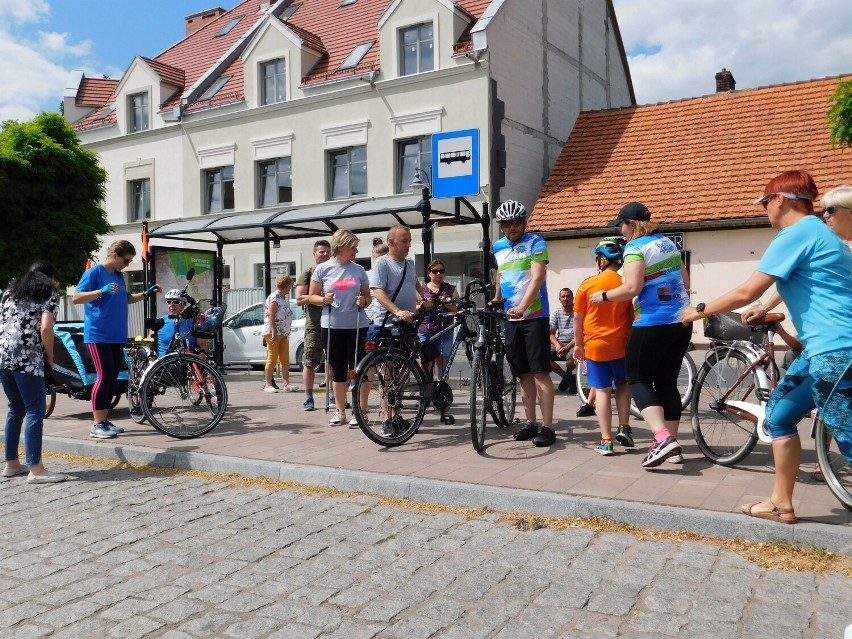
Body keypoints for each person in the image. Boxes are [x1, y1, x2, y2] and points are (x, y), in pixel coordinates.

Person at [683, 171, 852, 524]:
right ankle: (781, 503)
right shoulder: (822, 235)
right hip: (822, 351)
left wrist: (698, 310)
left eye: (764, 203)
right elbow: (787, 277)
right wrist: (766, 306)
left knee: (846, 433)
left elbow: (747, 291)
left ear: (780, 200)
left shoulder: (797, 232)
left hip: (837, 351)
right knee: (778, 415)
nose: (764, 211)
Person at [590, 202, 691, 468]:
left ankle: (662, 438)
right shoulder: (668, 244)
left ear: (631, 225)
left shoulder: (635, 247)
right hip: (681, 321)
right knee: (667, 383)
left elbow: (632, 287)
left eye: (621, 226)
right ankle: (672, 447)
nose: (621, 232)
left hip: (651, 322)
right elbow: (687, 283)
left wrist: (604, 296)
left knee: (636, 379)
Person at [72, 240, 159, 439]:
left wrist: (145, 294)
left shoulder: (119, 276)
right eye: (126, 261)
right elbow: (76, 297)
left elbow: (126, 297)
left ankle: (103, 420)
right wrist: (99, 292)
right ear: (115, 255)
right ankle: (97, 424)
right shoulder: (95, 273)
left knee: (111, 377)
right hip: (98, 334)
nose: (127, 265)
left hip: (116, 335)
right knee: (103, 377)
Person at [492, 200, 556, 447]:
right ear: (501, 227)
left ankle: (548, 426)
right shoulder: (498, 247)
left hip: (535, 317)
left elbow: (538, 276)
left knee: (540, 372)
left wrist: (523, 306)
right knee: (523, 374)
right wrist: (498, 296)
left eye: (516, 222)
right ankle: (530, 422)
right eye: (506, 224)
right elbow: (501, 272)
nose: (511, 227)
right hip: (511, 319)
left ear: (524, 223)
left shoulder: (536, 242)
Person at [0, 262, 67, 483]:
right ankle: (36, 470)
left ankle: (11, 464)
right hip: (28, 357)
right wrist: (50, 355)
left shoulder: (10, 291)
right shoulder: (48, 291)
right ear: (51, 276)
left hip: (4, 354)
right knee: (35, 411)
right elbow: (46, 328)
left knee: (15, 408)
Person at [574, 239, 634, 456]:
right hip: (622, 343)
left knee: (601, 391)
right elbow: (631, 314)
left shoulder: (587, 284)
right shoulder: (627, 284)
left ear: (602, 260)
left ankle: (606, 441)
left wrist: (578, 345)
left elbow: (577, 318)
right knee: (623, 385)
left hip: (596, 345)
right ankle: (625, 426)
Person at [308, 230, 371, 427]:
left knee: (359, 369)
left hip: (357, 326)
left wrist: (364, 300)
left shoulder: (359, 270)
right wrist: (323, 299)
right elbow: (311, 297)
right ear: (342, 247)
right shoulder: (323, 269)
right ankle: (340, 411)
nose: (356, 250)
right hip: (332, 326)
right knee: (339, 370)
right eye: (353, 247)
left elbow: (368, 298)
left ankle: (361, 411)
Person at [370, 224, 428, 436]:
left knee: (404, 373)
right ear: (392, 242)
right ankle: (387, 419)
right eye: (404, 241)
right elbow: (377, 291)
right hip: (386, 325)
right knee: (388, 373)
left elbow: (415, 284)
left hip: (407, 325)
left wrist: (423, 299)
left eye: (410, 240)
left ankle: (396, 414)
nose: (409, 244)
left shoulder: (409, 265)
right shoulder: (382, 264)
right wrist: (397, 311)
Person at [295, 239, 331, 411]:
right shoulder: (308, 273)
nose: (324, 254)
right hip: (315, 324)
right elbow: (299, 299)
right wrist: (318, 296)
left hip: (334, 323)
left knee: (334, 362)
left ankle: (332, 395)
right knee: (310, 362)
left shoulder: (335, 271)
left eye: (327, 251)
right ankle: (309, 397)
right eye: (321, 252)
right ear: (314, 254)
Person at [418, 259, 459, 376]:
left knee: (443, 362)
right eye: (435, 271)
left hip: (445, 330)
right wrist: (423, 305)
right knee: (426, 363)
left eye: (441, 271)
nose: (438, 274)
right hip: (426, 330)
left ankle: (442, 390)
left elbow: (457, 309)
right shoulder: (422, 289)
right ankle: (425, 390)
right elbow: (414, 307)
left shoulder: (450, 289)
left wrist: (447, 304)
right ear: (429, 273)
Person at [262, 274, 297, 393]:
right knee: (272, 358)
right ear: (285, 286)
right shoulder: (275, 297)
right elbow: (271, 315)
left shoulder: (282, 298)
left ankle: (286, 384)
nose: (290, 288)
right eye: (289, 286)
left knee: (285, 359)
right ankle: (268, 384)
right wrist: (273, 332)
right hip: (275, 332)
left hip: (283, 333)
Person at [156, 289, 207, 358]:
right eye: (169, 302)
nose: (171, 305)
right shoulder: (160, 321)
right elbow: (149, 342)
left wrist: (195, 367)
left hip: (187, 365)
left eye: (175, 302)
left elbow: (203, 349)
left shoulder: (193, 323)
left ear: (183, 305)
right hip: (163, 365)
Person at [549, 287, 577, 393]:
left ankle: (567, 379)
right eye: (563, 296)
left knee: (570, 362)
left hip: (573, 343)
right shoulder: (556, 313)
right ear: (560, 299)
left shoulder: (578, 312)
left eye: (568, 296)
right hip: (559, 342)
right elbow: (551, 333)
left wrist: (567, 347)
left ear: (572, 298)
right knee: (541, 358)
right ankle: (567, 379)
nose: (565, 298)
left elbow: (581, 335)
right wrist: (557, 345)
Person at [365, 238, 389, 342]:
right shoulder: (366, 275)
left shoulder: (391, 274)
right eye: (378, 259)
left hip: (386, 320)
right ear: (373, 258)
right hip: (368, 320)